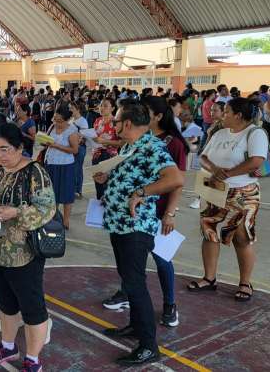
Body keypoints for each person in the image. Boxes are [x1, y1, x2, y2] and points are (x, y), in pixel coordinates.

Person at [93, 99, 184, 366]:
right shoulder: (131, 146)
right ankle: (135, 326)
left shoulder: (152, 146)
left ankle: (148, 346)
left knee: (135, 283)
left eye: (117, 121)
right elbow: (131, 177)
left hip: (135, 227)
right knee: (129, 278)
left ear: (128, 123)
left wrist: (142, 194)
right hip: (119, 224)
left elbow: (175, 179)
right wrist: (107, 178)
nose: (114, 125)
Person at [0, 125, 55, 372]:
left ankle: (33, 360)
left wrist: (16, 212)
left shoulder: (34, 172)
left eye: (5, 149)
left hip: (23, 252)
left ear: (19, 148)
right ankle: (8, 346)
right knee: (6, 302)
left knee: (32, 307)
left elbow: (47, 209)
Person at [187, 98, 268, 302]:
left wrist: (228, 174)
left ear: (238, 116)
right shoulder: (220, 133)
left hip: (242, 192)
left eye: (227, 112)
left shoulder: (255, 133)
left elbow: (256, 161)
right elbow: (203, 156)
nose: (223, 115)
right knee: (208, 231)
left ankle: (245, 283)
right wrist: (215, 170)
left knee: (242, 237)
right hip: (213, 188)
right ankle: (209, 278)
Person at [42, 106, 80, 230]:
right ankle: (53, 216)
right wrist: (43, 141)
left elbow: (74, 150)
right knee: (52, 192)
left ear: (67, 120)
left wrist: (56, 145)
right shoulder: (52, 127)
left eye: (59, 121)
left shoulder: (72, 131)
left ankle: (66, 220)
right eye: (55, 119)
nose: (56, 123)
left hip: (65, 165)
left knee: (66, 193)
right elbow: (46, 141)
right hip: (51, 163)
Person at [92, 98, 122, 199]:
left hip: (109, 157)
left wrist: (105, 141)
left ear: (113, 108)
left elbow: (121, 143)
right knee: (98, 187)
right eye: (101, 105)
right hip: (96, 155)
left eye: (105, 106)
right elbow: (95, 138)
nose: (101, 108)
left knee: (108, 187)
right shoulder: (97, 121)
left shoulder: (116, 122)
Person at [69, 101, 89, 198]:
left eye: (72, 108)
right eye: (70, 108)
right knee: (72, 168)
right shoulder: (71, 120)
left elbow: (84, 137)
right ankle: (72, 189)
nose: (70, 110)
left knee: (77, 168)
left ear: (78, 109)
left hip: (79, 148)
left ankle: (78, 190)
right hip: (71, 147)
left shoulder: (83, 121)